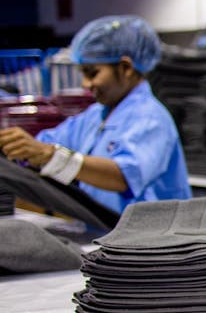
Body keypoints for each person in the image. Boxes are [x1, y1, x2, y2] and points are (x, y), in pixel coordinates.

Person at [0, 15, 190, 214]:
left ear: (125, 68)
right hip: (106, 232)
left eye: (92, 73)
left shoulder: (151, 118)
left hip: (152, 237)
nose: (85, 84)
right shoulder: (95, 116)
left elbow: (123, 177)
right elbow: (47, 142)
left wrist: (51, 155)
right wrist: (17, 146)